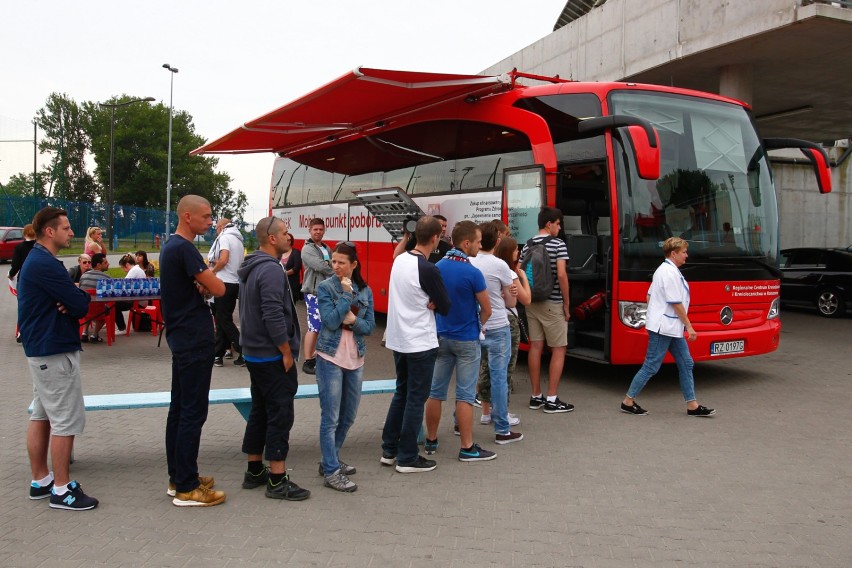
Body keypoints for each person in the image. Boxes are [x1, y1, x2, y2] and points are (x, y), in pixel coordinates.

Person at [18, 207, 98, 510]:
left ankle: (41, 480)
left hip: (42, 348)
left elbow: (73, 300)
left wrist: (71, 296)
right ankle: (62, 489)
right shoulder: (45, 263)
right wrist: (73, 295)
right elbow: (80, 303)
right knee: (65, 419)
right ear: (49, 232)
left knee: (41, 413)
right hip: (53, 350)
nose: (71, 232)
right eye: (65, 228)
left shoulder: (38, 260)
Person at [160, 195, 226, 507]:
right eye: (206, 216)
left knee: (180, 408)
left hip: (181, 336)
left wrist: (202, 282)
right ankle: (187, 487)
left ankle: (179, 476)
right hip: (194, 338)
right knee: (192, 412)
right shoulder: (184, 248)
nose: (210, 221)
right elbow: (220, 288)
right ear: (188, 216)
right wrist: (208, 281)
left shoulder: (171, 246)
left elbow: (198, 284)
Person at [237, 216, 310, 501]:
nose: (288, 237)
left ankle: (255, 470)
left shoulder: (252, 266)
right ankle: (278, 479)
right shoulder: (270, 270)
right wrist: (286, 351)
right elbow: (272, 314)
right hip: (271, 355)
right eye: (284, 233)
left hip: (255, 353)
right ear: (271, 238)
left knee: (261, 410)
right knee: (280, 414)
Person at [381, 216, 451, 473]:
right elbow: (445, 305)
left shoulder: (400, 260)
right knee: (415, 398)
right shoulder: (429, 269)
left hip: (399, 339)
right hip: (420, 341)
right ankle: (408, 457)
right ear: (435, 238)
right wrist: (434, 300)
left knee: (402, 392)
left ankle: (389, 449)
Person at [424, 220, 496, 462]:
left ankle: (431, 440)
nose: (479, 245)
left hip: (441, 337)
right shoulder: (473, 272)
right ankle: (467, 447)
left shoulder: (437, 266)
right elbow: (487, 308)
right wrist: (479, 325)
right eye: (477, 241)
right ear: (466, 243)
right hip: (466, 340)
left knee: (435, 391)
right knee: (465, 396)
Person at [621, 237, 716, 417]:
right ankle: (628, 401)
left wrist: (660, 312)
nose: (686, 256)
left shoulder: (666, 271)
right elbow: (676, 303)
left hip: (669, 325)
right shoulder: (668, 273)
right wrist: (689, 326)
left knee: (686, 363)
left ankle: (692, 406)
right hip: (664, 327)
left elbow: (650, 296)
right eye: (683, 252)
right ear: (673, 254)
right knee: (651, 366)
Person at [316, 241, 375, 492]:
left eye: (341, 262)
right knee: (330, 418)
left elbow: (369, 327)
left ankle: (330, 458)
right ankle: (331, 470)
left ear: (354, 264)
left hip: (356, 358)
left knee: (348, 416)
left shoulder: (366, 290)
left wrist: (352, 321)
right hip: (330, 357)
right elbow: (329, 322)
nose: (336, 266)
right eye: (333, 261)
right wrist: (345, 296)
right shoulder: (326, 287)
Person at [470, 222, 523, 445]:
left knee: (470, 376)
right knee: (499, 377)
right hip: (499, 326)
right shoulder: (500, 265)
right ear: (497, 241)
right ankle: (502, 429)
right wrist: (509, 292)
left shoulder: (469, 261)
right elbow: (511, 300)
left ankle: (458, 422)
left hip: (474, 325)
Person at [520, 206, 574, 414]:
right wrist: (567, 304)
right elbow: (561, 275)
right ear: (549, 224)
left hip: (532, 301)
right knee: (559, 348)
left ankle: (536, 396)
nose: (559, 228)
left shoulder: (528, 245)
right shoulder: (558, 244)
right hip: (552, 303)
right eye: (558, 223)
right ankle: (552, 399)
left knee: (535, 347)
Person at [494, 236, 531, 405]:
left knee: (489, 367)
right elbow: (526, 299)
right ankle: (503, 409)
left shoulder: (491, 268)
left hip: (491, 320)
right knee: (506, 367)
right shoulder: (510, 273)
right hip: (508, 320)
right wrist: (523, 278)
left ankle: (487, 408)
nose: (519, 252)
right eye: (516, 249)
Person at [208, 218, 245, 367]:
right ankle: (218, 354)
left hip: (222, 282)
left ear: (222, 227)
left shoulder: (225, 238)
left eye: (217, 228)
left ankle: (243, 349)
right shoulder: (238, 240)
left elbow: (223, 259)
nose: (216, 231)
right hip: (235, 283)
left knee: (223, 320)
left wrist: (212, 272)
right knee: (223, 318)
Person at [300, 217, 334, 374]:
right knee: (314, 326)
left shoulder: (326, 248)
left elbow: (331, 264)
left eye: (321, 229)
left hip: (326, 292)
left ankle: (318, 356)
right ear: (309, 230)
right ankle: (308, 360)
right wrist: (337, 271)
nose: (318, 232)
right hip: (313, 292)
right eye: (315, 229)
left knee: (324, 326)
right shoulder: (307, 249)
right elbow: (321, 266)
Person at [78, 253, 117, 341]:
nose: (108, 264)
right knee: (107, 309)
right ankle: (94, 335)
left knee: (89, 306)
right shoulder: (107, 278)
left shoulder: (83, 276)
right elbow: (111, 295)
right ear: (99, 265)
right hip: (99, 310)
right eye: (106, 262)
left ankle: (84, 332)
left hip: (84, 308)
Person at [281, 232, 302, 303]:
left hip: (291, 284)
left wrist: (284, 274)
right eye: (285, 239)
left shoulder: (296, 252)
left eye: (289, 240)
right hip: (280, 284)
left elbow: (296, 268)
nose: (287, 241)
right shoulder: (279, 252)